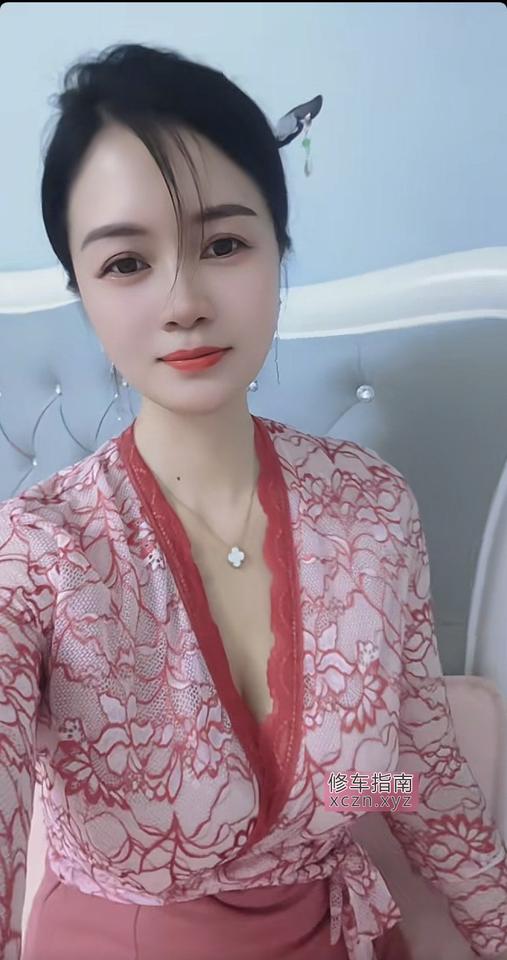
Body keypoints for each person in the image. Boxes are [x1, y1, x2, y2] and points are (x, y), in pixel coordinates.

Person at [1, 41, 506, 960]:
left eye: (224, 244)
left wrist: (474, 904)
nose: (185, 301)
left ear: (278, 251)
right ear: (82, 292)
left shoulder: (370, 507)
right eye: (127, 263)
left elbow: (413, 776)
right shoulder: (39, 549)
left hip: (332, 934)